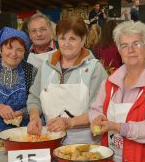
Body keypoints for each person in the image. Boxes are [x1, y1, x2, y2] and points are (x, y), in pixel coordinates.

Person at [89, 21, 145, 162]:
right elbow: (96, 109)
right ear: (119, 51)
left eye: (136, 44)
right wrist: (96, 118)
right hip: (112, 156)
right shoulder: (110, 82)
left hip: (144, 158)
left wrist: (118, 127)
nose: (130, 50)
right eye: (124, 46)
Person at [27, 16, 108, 145]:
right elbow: (34, 97)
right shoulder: (46, 65)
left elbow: (100, 110)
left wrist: (70, 122)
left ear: (83, 41)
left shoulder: (95, 69)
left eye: (73, 39)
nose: (66, 44)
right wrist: (35, 116)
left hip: (85, 145)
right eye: (62, 38)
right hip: (51, 140)